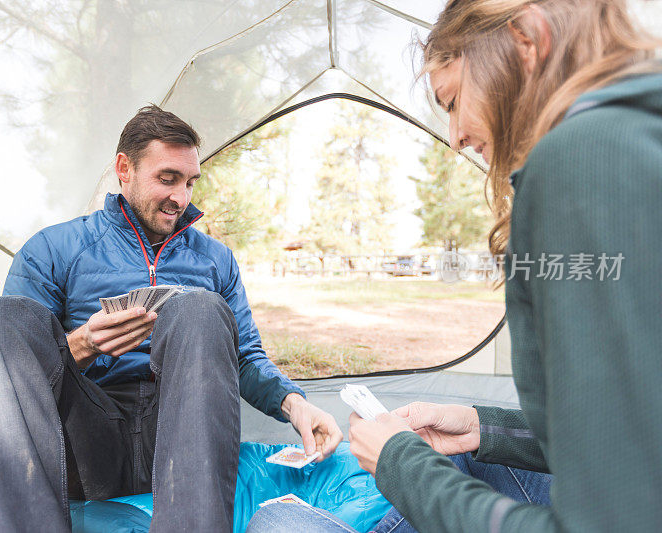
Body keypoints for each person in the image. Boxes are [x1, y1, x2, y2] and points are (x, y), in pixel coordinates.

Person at [248, 0, 662, 531]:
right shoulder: (637, 132)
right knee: (466, 454)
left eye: (452, 101)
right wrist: (481, 428)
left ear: (527, 42)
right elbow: (620, 435)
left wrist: (401, 464)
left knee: (278, 523)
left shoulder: (578, 160)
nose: (456, 137)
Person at [0, 105, 342, 533]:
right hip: (85, 437)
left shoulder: (215, 259)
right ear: (125, 168)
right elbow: (17, 370)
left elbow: (245, 356)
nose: (181, 198)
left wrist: (296, 404)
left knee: (200, 307)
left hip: (181, 434)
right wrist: (82, 345)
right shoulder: (53, 248)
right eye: (167, 179)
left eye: (190, 182)